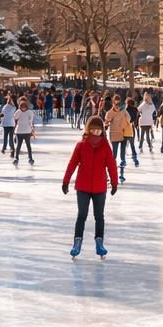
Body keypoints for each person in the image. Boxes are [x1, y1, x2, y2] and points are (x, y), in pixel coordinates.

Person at [62, 115, 119, 258]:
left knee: (99, 216)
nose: (96, 133)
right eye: (93, 130)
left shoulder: (106, 146)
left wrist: (114, 182)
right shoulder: (81, 145)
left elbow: (111, 165)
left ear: (102, 131)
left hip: (100, 188)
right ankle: (77, 242)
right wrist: (66, 181)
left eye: (99, 131)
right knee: (81, 215)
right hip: (83, 187)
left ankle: (99, 243)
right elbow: (72, 164)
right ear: (88, 129)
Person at [105, 95, 134, 182]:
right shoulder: (110, 112)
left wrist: (124, 124)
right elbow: (107, 121)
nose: (117, 103)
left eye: (118, 101)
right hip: (114, 135)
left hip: (123, 134)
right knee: (114, 155)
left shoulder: (124, 111)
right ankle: (110, 174)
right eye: (115, 102)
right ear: (113, 102)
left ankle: (121, 174)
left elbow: (129, 119)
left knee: (122, 156)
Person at [11, 96, 36, 165]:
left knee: (28, 146)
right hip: (19, 132)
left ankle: (30, 158)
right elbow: (14, 117)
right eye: (22, 107)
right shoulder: (19, 111)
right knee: (19, 146)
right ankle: (16, 158)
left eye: (24, 107)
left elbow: (30, 121)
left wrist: (32, 130)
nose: (23, 108)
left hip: (27, 131)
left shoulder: (29, 112)